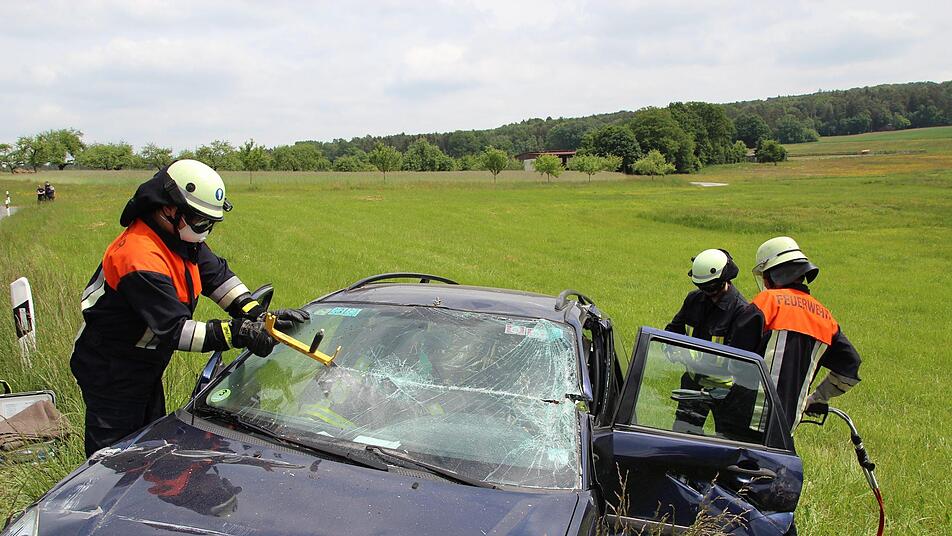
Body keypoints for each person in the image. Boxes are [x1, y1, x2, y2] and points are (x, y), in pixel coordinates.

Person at [70, 159, 309, 457]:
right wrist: (240, 332)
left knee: (147, 442)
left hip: (145, 360)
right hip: (111, 366)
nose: (204, 231)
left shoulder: (178, 235)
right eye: (200, 221)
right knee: (114, 454)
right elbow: (175, 330)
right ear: (169, 209)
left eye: (210, 223)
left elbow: (217, 276)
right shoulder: (138, 256)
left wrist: (255, 312)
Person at [734, 236, 862, 431]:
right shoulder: (825, 318)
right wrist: (817, 398)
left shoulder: (767, 302)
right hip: (786, 428)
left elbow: (733, 357)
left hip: (744, 418)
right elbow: (851, 366)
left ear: (773, 275)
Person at [664, 249, 756, 440]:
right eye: (703, 288)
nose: (709, 294)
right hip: (693, 383)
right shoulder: (694, 300)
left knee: (727, 441)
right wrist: (671, 349)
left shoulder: (741, 311)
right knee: (682, 438)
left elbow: (739, 360)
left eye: (713, 289)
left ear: (725, 280)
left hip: (726, 392)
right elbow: (673, 329)